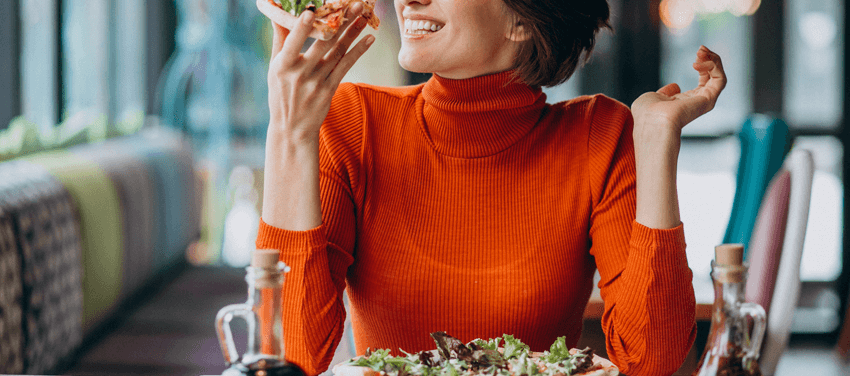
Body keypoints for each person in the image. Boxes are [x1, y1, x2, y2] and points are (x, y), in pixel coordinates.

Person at [255, 0, 727, 375]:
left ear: (521, 20)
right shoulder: (351, 122)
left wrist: (656, 141)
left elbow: (653, 359)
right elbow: (292, 355)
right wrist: (290, 135)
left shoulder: (600, 134)